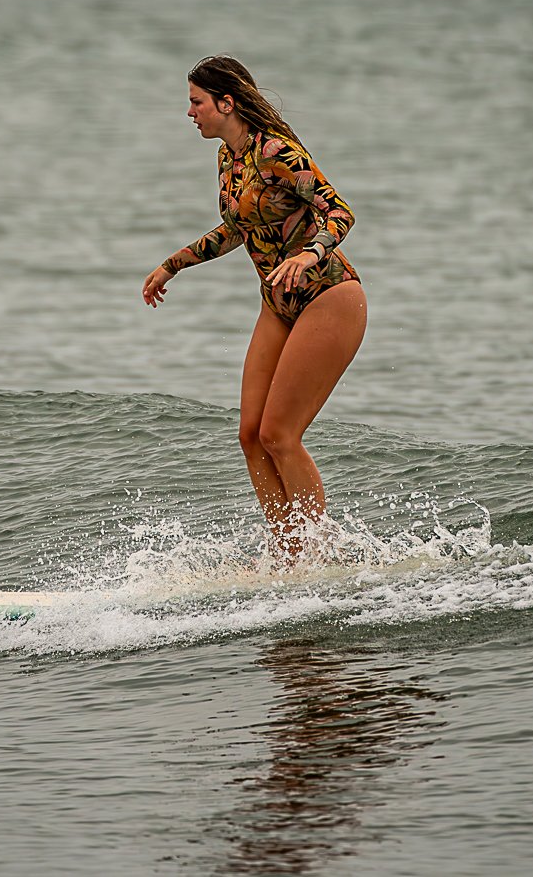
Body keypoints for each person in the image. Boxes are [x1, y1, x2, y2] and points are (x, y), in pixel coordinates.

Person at [142, 56, 367, 565]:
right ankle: (288, 555)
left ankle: (320, 555)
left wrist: (311, 253)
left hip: (328, 296)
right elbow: (238, 229)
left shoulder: (277, 153)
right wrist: (171, 266)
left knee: (279, 434)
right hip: (277, 303)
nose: (189, 112)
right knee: (250, 435)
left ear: (227, 102)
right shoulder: (229, 159)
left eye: (196, 102)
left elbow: (339, 210)